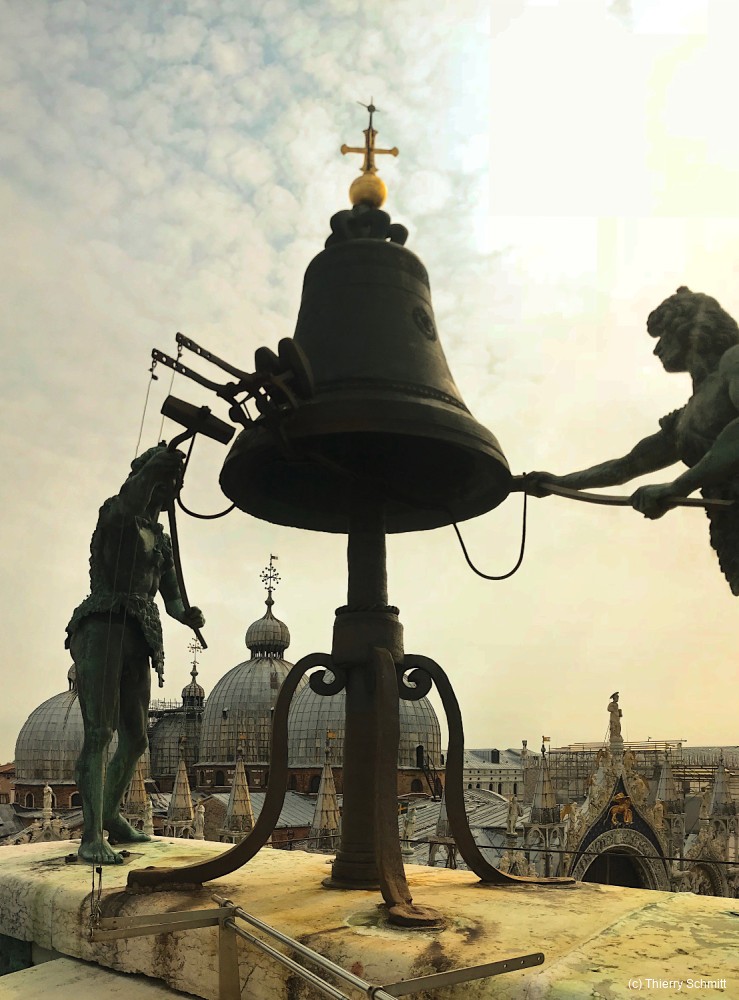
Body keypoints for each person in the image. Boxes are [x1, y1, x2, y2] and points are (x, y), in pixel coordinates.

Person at [527, 287, 739, 593]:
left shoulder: (735, 360)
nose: (657, 350)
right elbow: (626, 466)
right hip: (730, 526)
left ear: (688, 328)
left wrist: (677, 487)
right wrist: (559, 482)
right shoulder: (686, 419)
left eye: (663, 336)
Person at [66, 444, 204, 864]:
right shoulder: (116, 514)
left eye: (169, 487)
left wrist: (187, 614)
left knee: (137, 736)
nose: (164, 493)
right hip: (102, 625)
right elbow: (131, 500)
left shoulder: (161, 541)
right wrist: (153, 468)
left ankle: (110, 815)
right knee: (99, 732)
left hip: (139, 632)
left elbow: (172, 597)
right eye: (159, 485)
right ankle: (91, 836)